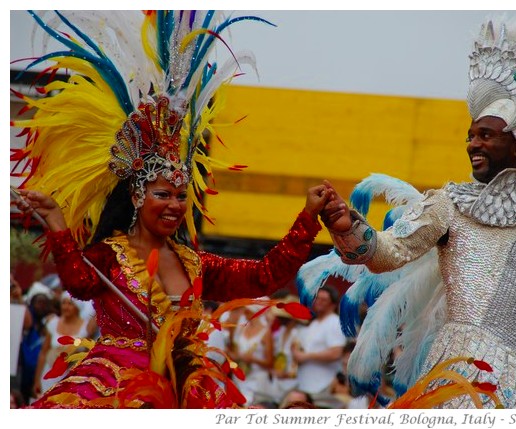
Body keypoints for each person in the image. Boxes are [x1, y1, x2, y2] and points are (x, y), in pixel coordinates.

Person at [11, 10, 328, 408]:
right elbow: (78, 282)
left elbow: (264, 277)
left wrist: (307, 218)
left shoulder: (196, 263)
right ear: (137, 196)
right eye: (163, 195)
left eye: (181, 196)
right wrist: (57, 224)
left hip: (186, 390)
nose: (175, 205)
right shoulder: (109, 254)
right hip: (118, 390)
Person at [315, 17, 516, 408]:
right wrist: (348, 226)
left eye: (485, 135)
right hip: (459, 377)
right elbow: (388, 254)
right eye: (470, 136)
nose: (472, 144)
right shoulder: (449, 205)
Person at [292, 285, 347, 408]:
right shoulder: (313, 323)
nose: (318, 302)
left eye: (323, 299)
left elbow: (336, 353)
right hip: (305, 385)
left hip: (324, 387)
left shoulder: (335, 322)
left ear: (333, 304)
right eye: (317, 298)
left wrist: (305, 356)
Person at [32, 291, 94, 398]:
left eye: (70, 304)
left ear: (77, 307)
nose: (66, 307)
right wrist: (37, 380)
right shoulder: (53, 323)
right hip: (50, 372)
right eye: (64, 303)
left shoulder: (85, 327)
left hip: (73, 375)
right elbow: (43, 353)